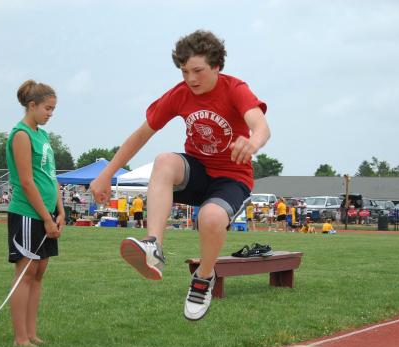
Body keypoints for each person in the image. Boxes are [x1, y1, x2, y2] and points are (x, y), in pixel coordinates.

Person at [89, 30, 270, 321]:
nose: (191, 79)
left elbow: (261, 126)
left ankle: (204, 278)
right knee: (163, 161)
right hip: (196, 171)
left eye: (197, 71)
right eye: (185, 71)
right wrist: (106, 174)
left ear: (216, 67)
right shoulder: (180, 94)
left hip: (231, 177)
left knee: (209, 218)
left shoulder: (235, 89)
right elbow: (141, 135)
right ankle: (154, 246)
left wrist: (253, 142)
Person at [6, 79, 64, 347]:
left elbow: (51, 177)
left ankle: (31, 333)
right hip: (28, 213)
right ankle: (20, 338)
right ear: (32, 105)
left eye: (53, 109)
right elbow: (27, 181)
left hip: (48, 214)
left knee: (39, 272)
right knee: (26, 273)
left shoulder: (42, 136)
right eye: (48, 108)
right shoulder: (21, 135)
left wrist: (60, 211)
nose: (50, 114)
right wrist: (46, 216)